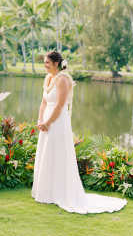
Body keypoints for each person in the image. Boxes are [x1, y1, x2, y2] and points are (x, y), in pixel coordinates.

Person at [32, 51, 127, 214]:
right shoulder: (47, 78)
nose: (45, 65)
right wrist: (40, 121)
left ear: (56, 64)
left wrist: (48, 122)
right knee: (46, 153)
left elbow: (60, 105)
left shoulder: (63, 79)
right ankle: (46, 192)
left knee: (57, 154)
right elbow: (44, 102)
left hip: (57, 122)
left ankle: (59, 192)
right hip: (46, 122)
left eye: (47, 62)